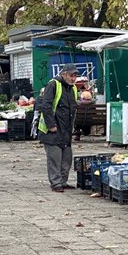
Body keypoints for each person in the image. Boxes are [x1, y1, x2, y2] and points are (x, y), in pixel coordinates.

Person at [38, 63, 79, 192]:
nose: (73, 79)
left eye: (75, 76)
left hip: (66, 128)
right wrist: (51, 126)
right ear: (64, 74)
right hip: (53, 129)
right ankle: (56, 183)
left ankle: (63, 181)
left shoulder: (72, 88)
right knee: (54, 157)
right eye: (71, 76)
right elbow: (46, 105)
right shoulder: (54, 85)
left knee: (67, 157)